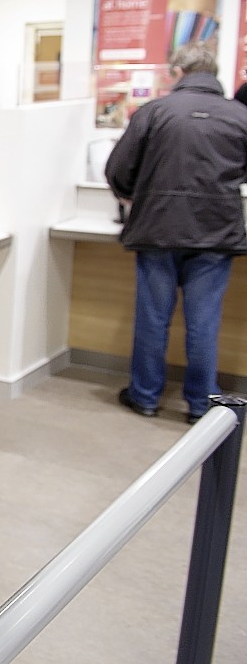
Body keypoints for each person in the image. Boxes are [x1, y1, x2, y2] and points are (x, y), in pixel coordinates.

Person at [105, 42, 247, 422]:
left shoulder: (154, 112)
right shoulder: (240, 115)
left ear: (179, 72)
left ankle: (146, 397)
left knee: (153, 319)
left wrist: (138, 197)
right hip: (216, 232)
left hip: (158, 229)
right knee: (204, 323)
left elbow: (118, 169)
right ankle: (202, 407)